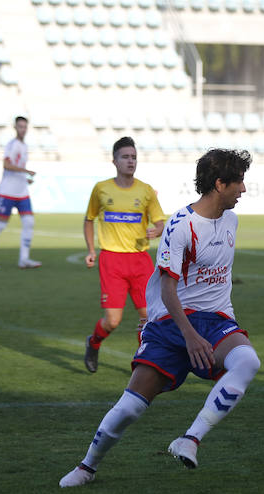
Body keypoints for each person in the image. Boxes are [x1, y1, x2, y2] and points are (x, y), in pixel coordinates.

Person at [59, 149, 260, 487]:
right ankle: (87, 467)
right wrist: (189, 335)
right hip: (171, 322)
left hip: (214, 321)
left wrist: (206, 330)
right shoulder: (181, 226)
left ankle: (190, 439)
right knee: (130, 408)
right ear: (219, 183)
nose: (243, 189)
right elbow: (169, 289)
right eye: (238, 182)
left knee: (248, 361)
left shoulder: (232, 220)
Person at [83, 137, 166, 373]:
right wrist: (91, 250)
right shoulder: (101, 189)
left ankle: (143, 361)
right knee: (112, 321)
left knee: (147, 317)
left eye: (133, 157)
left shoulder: (146, 190)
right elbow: (89, 219)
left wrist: (157, 230)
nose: (130, 161)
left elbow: (160, 221)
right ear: (114, 160)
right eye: (125, 157)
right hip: (112, 260)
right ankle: (93, 342)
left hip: (140, 261)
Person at [0, 116, 40, 270]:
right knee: (0, 224)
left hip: (22, 191)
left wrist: (25, 178)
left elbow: (16, 168)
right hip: (8, 191)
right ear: (15, 128)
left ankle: (24, 259)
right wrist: (26, 171)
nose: (23, 129)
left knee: (29, 222)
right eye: (20, 126)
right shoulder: (12, 145)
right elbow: (6, 165)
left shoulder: (24, 146)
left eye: (25, 127)